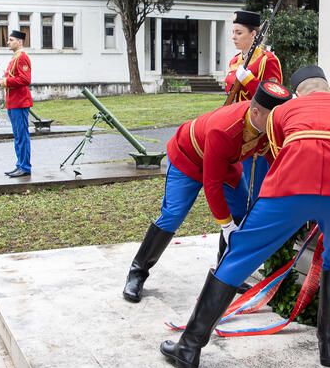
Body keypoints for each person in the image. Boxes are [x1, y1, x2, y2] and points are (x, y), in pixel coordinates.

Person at [161, 66, 330, 368]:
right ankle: (329, 346)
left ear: (297, 94)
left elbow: (279, 153)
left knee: (239, 256)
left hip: (290, 187)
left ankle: (189, 347)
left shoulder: (282, 113)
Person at [123, 81, 293, 303]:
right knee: (173, 215)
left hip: (225, 162)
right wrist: (226, 225)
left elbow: (273, 159)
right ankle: (137, 273)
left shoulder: (267, 125)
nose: (277, 124)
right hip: (188, 158)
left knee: (241, 210)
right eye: (274, 119)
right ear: (255, 111)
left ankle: (226, 273)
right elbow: (211, 184)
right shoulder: (224, 128)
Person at [224, 9, 283, 202]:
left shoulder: (268, 60)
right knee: (237, 179)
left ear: (254, 34)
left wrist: (249, 80)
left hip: (257, 131)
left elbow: (276, 96)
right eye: (233, 32)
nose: (234, 37)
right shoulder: (235, 61)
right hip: (236, 127)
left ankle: (253, 221)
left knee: (255, 183)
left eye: (239, 32)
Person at [1, 30, 32, 178]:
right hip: (13, 102)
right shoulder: (15, 58)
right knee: (18, 136)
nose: (8, 42)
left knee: (22, 136)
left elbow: (25, 80)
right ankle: (20, 164)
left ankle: (25, 166)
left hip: (20, 102)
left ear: (19, 42)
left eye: (11, 40)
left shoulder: (22, 57)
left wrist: (6, 81)